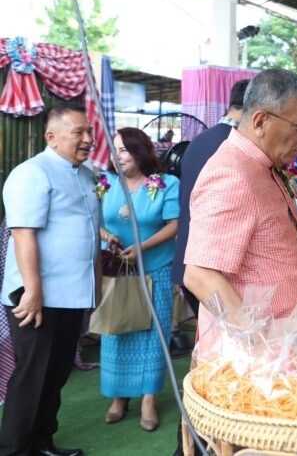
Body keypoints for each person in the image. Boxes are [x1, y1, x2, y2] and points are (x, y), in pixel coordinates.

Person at [0, 104, 101, 456]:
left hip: (72, 295)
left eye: (89, 132)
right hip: (36, 295)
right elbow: (23, 235)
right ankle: (14, 450)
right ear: (52, 137)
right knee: (32, 376)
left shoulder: (85, 175)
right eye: (79, 132)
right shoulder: (32, 173)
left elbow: (90, 235)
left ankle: (42, 443)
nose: (88, 139)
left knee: (56, 374)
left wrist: (96, 287)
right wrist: (33, 291)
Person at [184, 69, 297, 337]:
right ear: (260, 121)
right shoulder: (233, 173)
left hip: (281, 343)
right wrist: (256, 340)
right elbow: (200, 275)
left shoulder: (262, 164)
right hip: (251, 358)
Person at [98, 127, 179, 432]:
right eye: (115, 150)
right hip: (117, 271)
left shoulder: (167, 184)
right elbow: (93, 221)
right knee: (116, 330)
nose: (118, 156)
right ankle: (118, 397)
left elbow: (175, 225)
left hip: (155, 268)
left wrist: (142, 248)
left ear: (140, 151)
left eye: (124, 150)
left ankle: (148, 398)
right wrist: (107, 236)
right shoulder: (105, 183)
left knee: (152, 334)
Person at [172, 79, 248, 318]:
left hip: (188, 257)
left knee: (209, 341)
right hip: (212, 268)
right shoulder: (235, 145)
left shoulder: (199, 140)